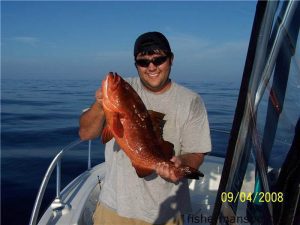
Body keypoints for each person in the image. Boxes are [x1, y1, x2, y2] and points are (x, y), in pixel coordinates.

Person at [79, 31, 212, 225]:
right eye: (143, 62)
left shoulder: (191, 101)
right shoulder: (125, 87)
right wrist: (100, 104)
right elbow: (86, 133)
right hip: (113, 208)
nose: (151, 67)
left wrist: (179, 163)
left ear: (171, 59)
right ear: (136, 65)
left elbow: (197, 154)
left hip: (164, 213)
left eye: (159, 59)